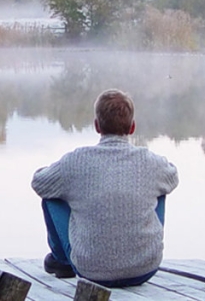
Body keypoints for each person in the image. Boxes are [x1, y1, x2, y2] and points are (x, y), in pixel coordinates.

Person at [31, 89, 179, 288]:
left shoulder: (77, 160)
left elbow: (40, 183)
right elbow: (173, 177)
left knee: (52, 196)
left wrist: (64, 182)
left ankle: (62, 261)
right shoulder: (150, 161)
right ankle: (143, 250)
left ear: (96, 126)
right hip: (144, 269)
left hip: (91, 272)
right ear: (132, 127)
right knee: (160, 189)